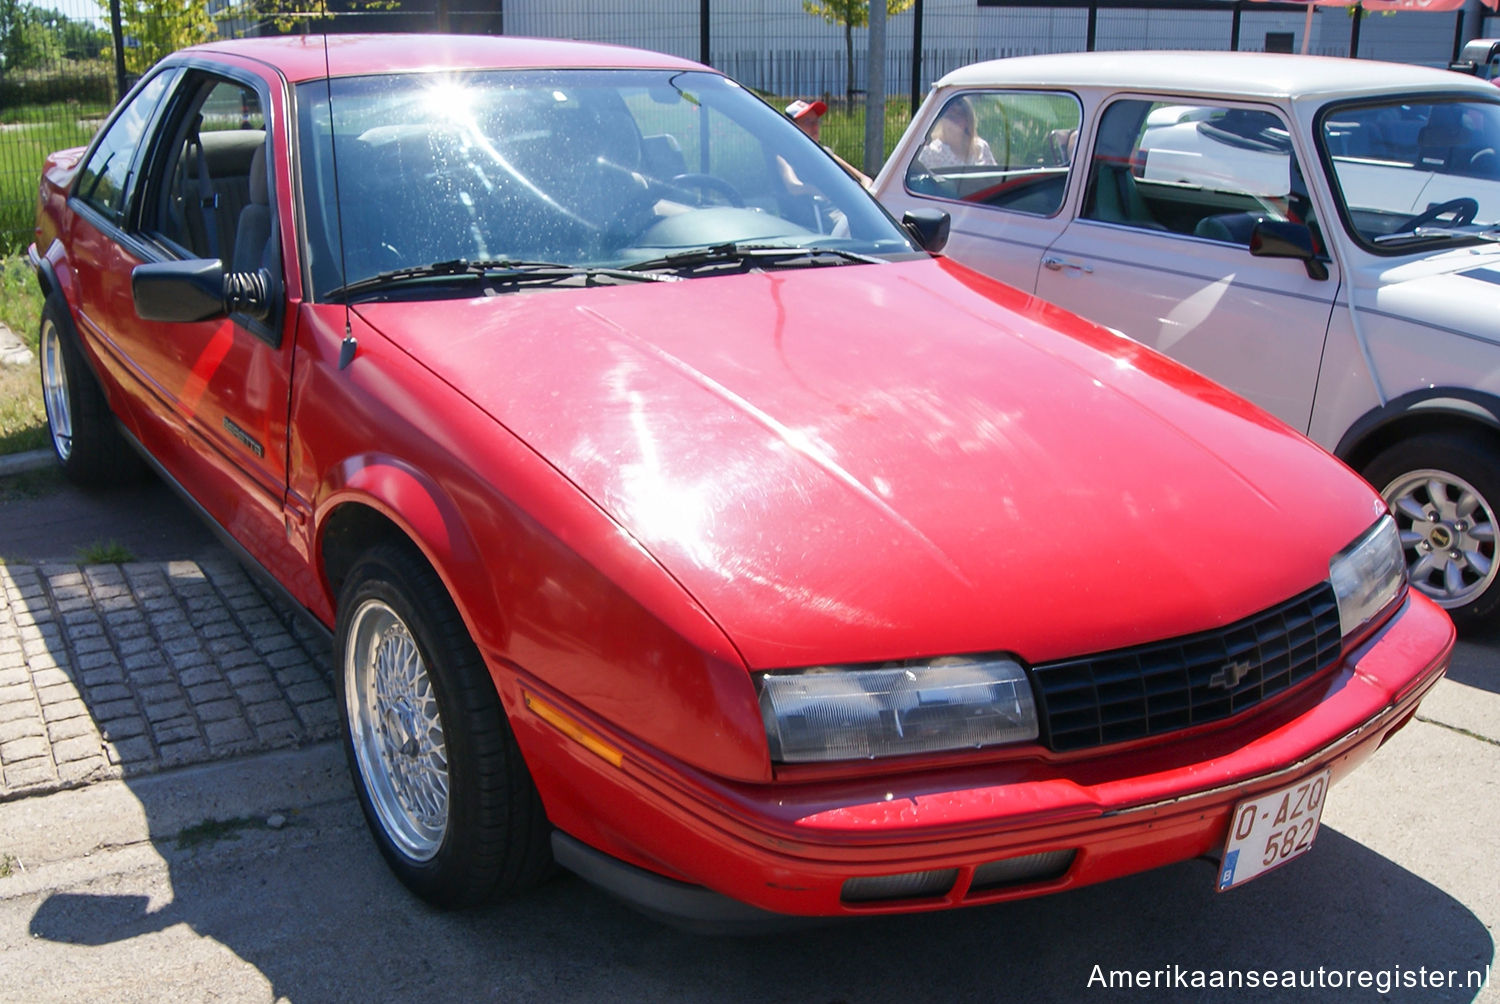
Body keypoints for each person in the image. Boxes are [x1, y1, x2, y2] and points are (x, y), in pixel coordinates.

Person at [784, 98, 871, 188]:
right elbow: (793, 186)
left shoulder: (824, 153)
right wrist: (819, 192)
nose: (815, 127)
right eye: (807, 122)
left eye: (816, 121)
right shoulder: (785, 156)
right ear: (792, 127)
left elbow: (863, 179)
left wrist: (867, 189)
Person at [920, 97, 996, 169]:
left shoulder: (981, 147)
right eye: (949, 117)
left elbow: (995, 177)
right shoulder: (931, 153)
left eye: (958, 117)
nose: (952, 123)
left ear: (967, 121)